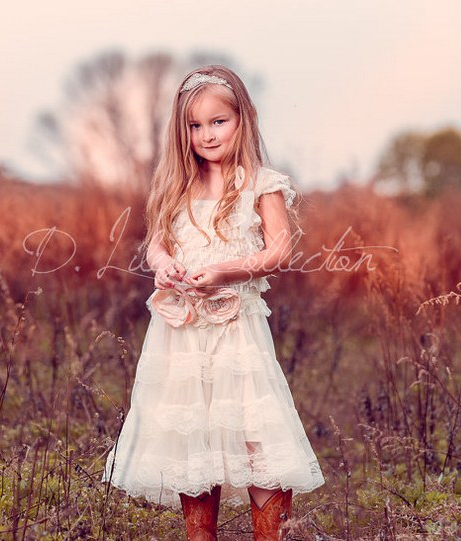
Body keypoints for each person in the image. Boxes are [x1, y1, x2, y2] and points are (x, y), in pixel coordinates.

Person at [102, 65, 325, 540]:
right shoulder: (176, 185)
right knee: (194, 439)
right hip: (182, 331)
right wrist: (162, 265)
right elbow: (157, 244)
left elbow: (279, 251)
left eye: (217, 122)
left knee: (255, 436)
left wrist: (225, 270)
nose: (206, 134)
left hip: (236, 328)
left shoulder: (260, 183)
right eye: (194, 125)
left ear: (242, 118)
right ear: (181, 130)